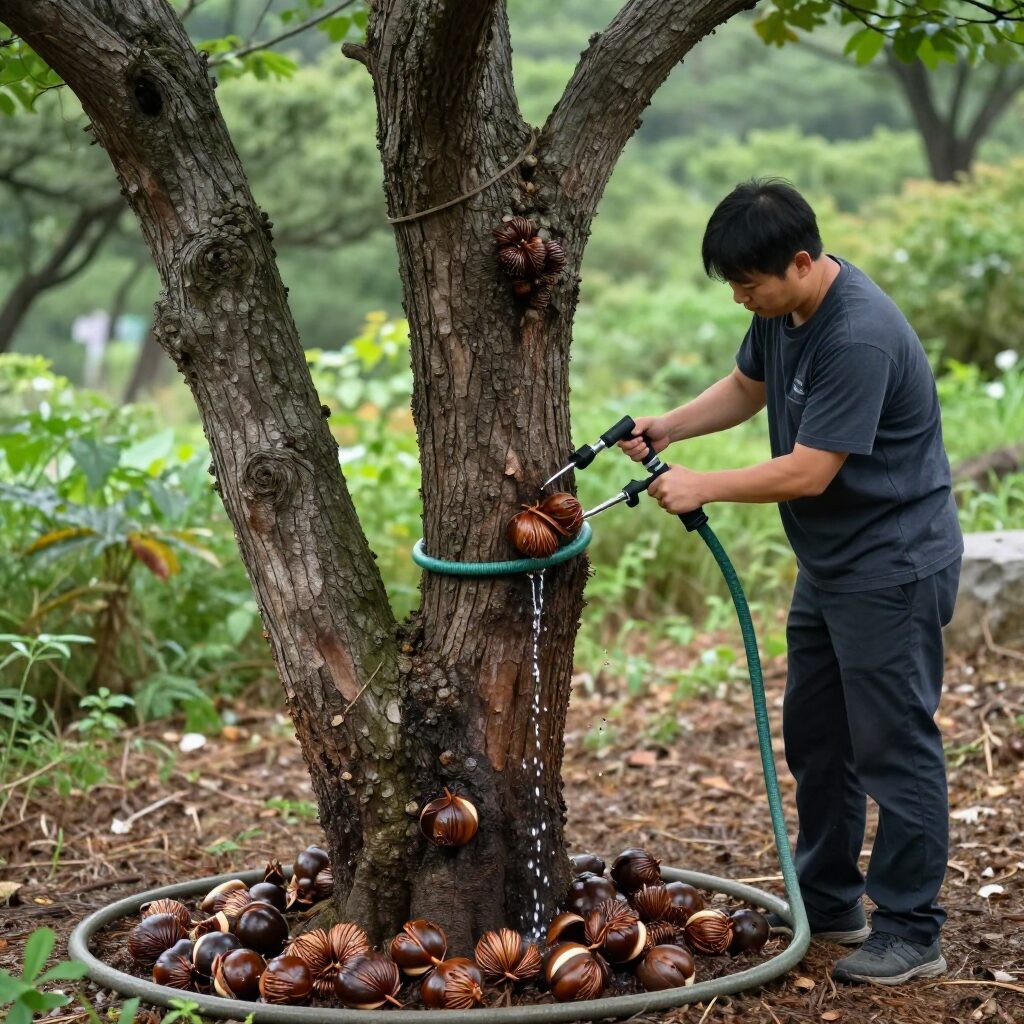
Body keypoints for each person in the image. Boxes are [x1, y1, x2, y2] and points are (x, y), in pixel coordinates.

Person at [619, 179, 963, 985]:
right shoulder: (783, 312)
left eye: (749, 285)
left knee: (893, 746)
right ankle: (830, 900)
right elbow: (749, 387)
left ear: (802, 263)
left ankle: (912, 928)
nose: (741, 299)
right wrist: (669, 427)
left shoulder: (858, 336)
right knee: (818, 737)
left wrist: (703, 484)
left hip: (891, 566)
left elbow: (810, 472)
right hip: (832, 564)